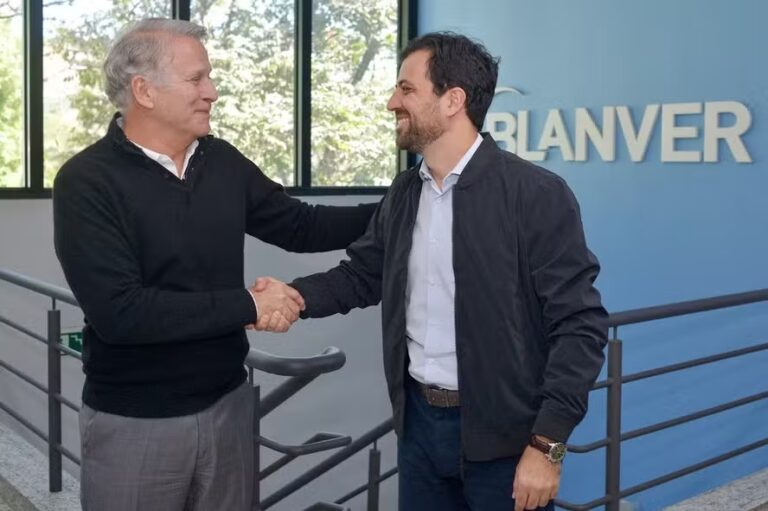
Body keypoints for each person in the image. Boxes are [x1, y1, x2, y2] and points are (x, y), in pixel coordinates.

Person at [257, 32, 608, 511]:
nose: (391, 102)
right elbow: (362, 276)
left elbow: (580, 326)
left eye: (407, 89)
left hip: (508, 443)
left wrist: (548, 443)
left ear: (453, 100)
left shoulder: (537, 195)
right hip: (420, 430)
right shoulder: (405, 192)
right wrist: (291, 297)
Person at [52, 18, 376, 511]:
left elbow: (300, 225)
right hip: (137, 423)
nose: (212, 91)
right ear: (144, 91)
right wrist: (250, 304)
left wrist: (402, 207)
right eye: (196, 78)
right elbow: (122, 313)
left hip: (229, 408)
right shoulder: (86, 181)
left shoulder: (220, 160)